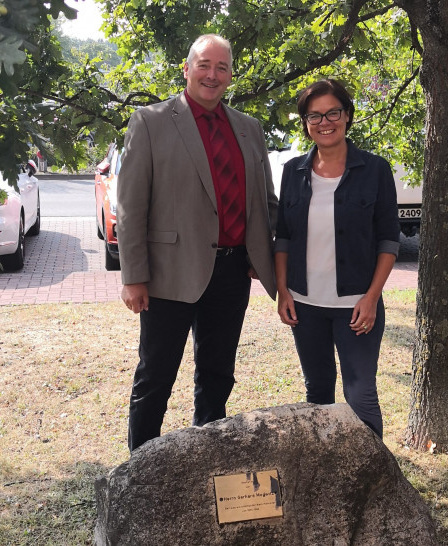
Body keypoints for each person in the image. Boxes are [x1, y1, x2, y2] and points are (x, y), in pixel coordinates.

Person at [117, 34, 278, 452]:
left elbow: (265, 200)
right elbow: (131, 206)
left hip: (232, 272)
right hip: (168, 274)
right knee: (156, 376)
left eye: (222, 67)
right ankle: (139, 472)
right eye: (204, 65)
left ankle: (205, 461)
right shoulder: (149, 121)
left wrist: (258, 254)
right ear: (186, 69)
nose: (212, 74)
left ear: (230, 76)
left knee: (218, 373)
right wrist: (133, 276)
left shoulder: (248, 129)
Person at [274, 79, 400, 438]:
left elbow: (388, 240)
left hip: (356, 305)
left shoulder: (375, 170)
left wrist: (372, 297)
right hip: (305, 305)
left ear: (347, 116)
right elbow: (283, 236)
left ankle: (374, 482)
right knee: (318, 393)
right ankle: (325, 477)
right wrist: (283, 291)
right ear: (305, 123)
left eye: (332, 112)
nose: (324, 122)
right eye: (314, 116)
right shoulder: (293, 172)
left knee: (360, 394)